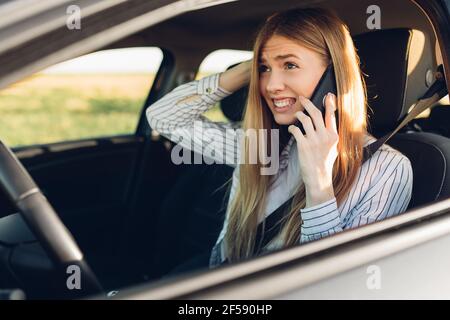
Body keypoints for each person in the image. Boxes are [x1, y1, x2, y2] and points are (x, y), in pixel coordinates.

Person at [146, 8, 413, 271]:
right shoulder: (262, 145)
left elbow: (339, 282)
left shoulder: (387, 169)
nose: (272, 85)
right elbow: (164, 118)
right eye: (265, 69)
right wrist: (247, 70)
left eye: (290, 65)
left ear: (333, 76)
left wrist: (319, 186)